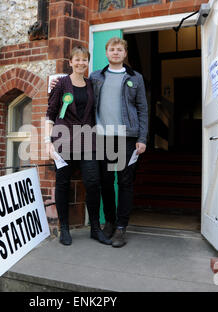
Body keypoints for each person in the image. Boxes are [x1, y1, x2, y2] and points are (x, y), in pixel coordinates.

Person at [51, 38, 148, 248]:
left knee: (124, 183)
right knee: (105, 183)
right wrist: (55, 81)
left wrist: (142, 138)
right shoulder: (96, 77)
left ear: (125, 53)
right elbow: (74, 83)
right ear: (106, 53)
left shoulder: (135, 78)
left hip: (126, 137)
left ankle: (121, 227)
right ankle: (110, 223)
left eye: (119, 49)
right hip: (101, 138)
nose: (115, 52)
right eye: (112, 49)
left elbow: (143, 109)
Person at [45, 46, 112, 246]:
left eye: (85, 60)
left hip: (88, 140)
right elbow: (50, 114)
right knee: (63, 183)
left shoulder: (92, 84)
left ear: (87, 63)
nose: (81, 63)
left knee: (93, 183)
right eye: (77, 59)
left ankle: (94, 228)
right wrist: (48, 143)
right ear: (71, 62)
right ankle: (64, 228)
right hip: (63, 139)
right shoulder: (61, 83)